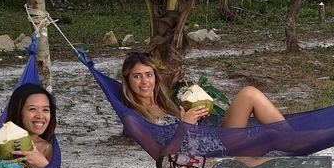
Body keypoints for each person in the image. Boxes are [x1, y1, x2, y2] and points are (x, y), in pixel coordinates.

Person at [120, 51, 285, 128]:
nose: (144, 82)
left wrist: (198, 117)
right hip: (213, 148)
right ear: (128, 79)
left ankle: (291, 138)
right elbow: (165, 150)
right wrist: (186, 124)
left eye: (148, 75)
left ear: (155, 77)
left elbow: (191, 126)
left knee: (249, 93)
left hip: (212, 135)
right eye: (137, 76)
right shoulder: (135, 116)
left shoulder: (165, 104)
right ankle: (294, 140)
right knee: (249, 94)